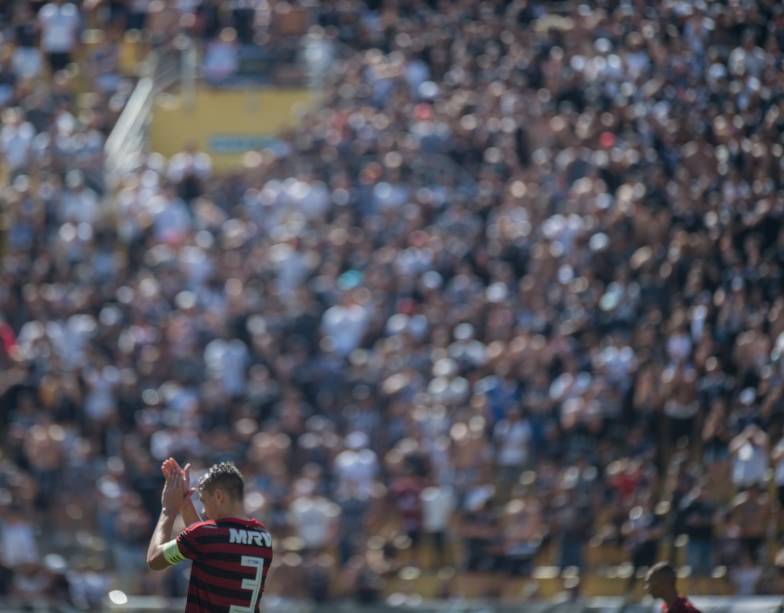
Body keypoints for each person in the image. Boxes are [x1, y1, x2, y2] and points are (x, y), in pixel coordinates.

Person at [146, 459, 273, 612]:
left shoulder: (206, 536)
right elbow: (209, 546)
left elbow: (155, 560)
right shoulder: (263, 536)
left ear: (219, 496)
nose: (204, 511)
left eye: (204, 501)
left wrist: (168, 509)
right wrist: (185, 505)